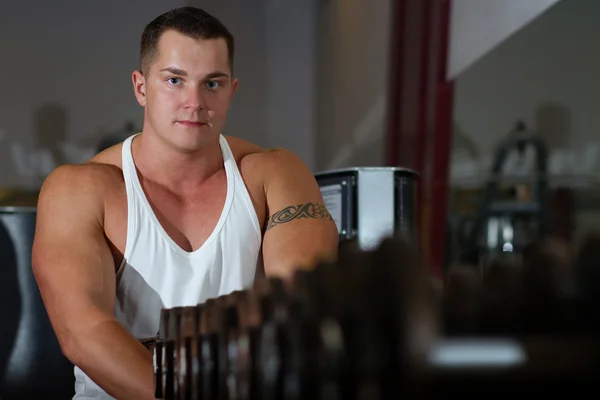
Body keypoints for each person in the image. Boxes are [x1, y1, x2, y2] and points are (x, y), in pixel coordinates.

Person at [31, 7, 339, 400]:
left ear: (232, 89)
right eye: (175, 80)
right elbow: (83, 332)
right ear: (141, 88)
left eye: (212, 83)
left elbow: (298, 313)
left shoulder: (274, 175)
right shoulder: (80, 189)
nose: (194, 102)